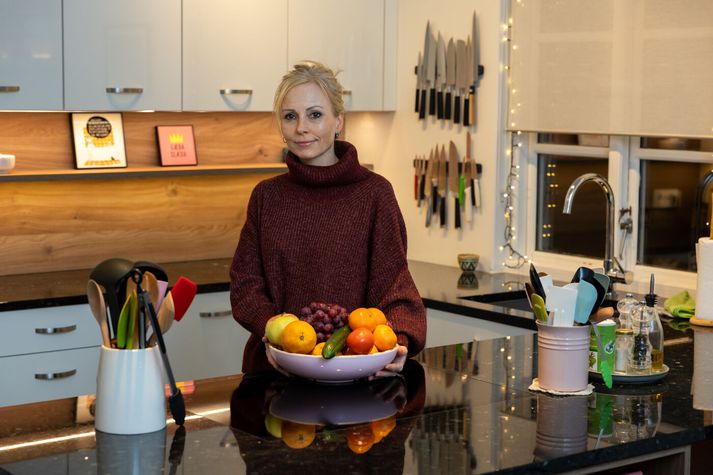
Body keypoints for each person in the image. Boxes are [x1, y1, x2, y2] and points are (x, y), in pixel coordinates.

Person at [230, 60, 426, 376]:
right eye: (290, 116)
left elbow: (395, 285)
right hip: (275, 371)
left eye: (315, 115)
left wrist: (399, 342)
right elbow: (245, 284)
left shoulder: (375, 193)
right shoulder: (266, 196)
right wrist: (272, 330)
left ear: (338, 122)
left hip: (353, 367)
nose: (301, 128)